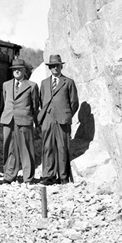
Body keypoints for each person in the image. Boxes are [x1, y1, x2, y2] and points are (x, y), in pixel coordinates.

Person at [38, 54, 79, 185]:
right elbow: (41, 100)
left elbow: (74, 103)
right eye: (52, 66)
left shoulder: (68, 82)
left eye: (57, 65)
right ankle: (48, 175)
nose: (55, 68)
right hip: (48, 119)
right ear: (49, 68)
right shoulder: (44, 83)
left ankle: (63, 176)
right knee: (48, 146)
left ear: (61, 66)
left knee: (62, 147)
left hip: (62, 119)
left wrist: (66, 114)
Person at [0, 59, 40, 185]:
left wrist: (33, 120)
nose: (16, 71)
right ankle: (9, 175)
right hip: (9, 120)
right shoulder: (6, 85)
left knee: (26, 148)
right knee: (9, 148)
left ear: (24, 70)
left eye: (19, 69)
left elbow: (34, 105)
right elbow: (6, 101)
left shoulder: (32, 86)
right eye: (14, 69)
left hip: (24, 120)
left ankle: (28, 177)